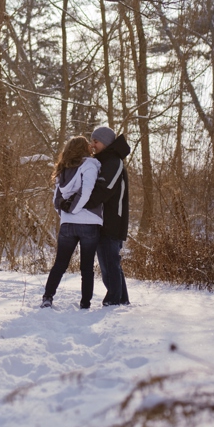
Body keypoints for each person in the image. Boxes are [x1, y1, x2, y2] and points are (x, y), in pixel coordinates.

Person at [41, 136, 102, 309]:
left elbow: (56, 199)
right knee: (86, 267)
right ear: (85, 149)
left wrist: (66, 214)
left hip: (68, 223)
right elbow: (87, 191)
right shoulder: (89, 165)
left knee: (60, 263)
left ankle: (47, 297)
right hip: (89, 222)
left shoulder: (63, 168)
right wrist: (74, 211)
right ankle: (85, 303)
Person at [85, 126, 130, 306]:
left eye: (96, 141)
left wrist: (79, 203)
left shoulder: (113, 162)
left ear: (106, 142)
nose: (92, 145)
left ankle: (113, 300)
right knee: (110, 264)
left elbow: (104, 190)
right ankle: (121, 299)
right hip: (104, 221)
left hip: (112, 221)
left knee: (109, 264)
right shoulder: (105, 161)